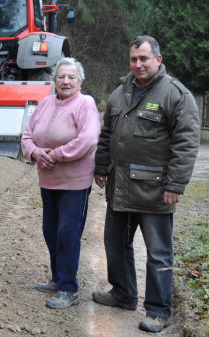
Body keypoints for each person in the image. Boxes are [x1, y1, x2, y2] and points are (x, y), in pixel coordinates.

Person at [92, 35, 200, 333]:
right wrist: (101, 166)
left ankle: (158, 310)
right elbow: (106, 134)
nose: (138, 64)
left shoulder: (175, 94)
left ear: (158, 60)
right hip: (120, 187)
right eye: (133, 59)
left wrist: (175, 184)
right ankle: (123, 293)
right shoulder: (120, 91)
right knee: (115, 244)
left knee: (158, 252)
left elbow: (186, 144)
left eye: (144, 59)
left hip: (155, 191)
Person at [21, 57, 100, 309]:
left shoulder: (85, 104)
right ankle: (57, 278)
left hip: (74, 183)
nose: (66, 81)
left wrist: (55, 154)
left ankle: (69, 287)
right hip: (48, 181)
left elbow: (88, 140)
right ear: (53, 80)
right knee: (50, 231)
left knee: (68, 233)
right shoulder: (45, 103)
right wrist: (34, 152)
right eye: (61, 76)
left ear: (81, 80)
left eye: (71, 77)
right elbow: (26, 135)